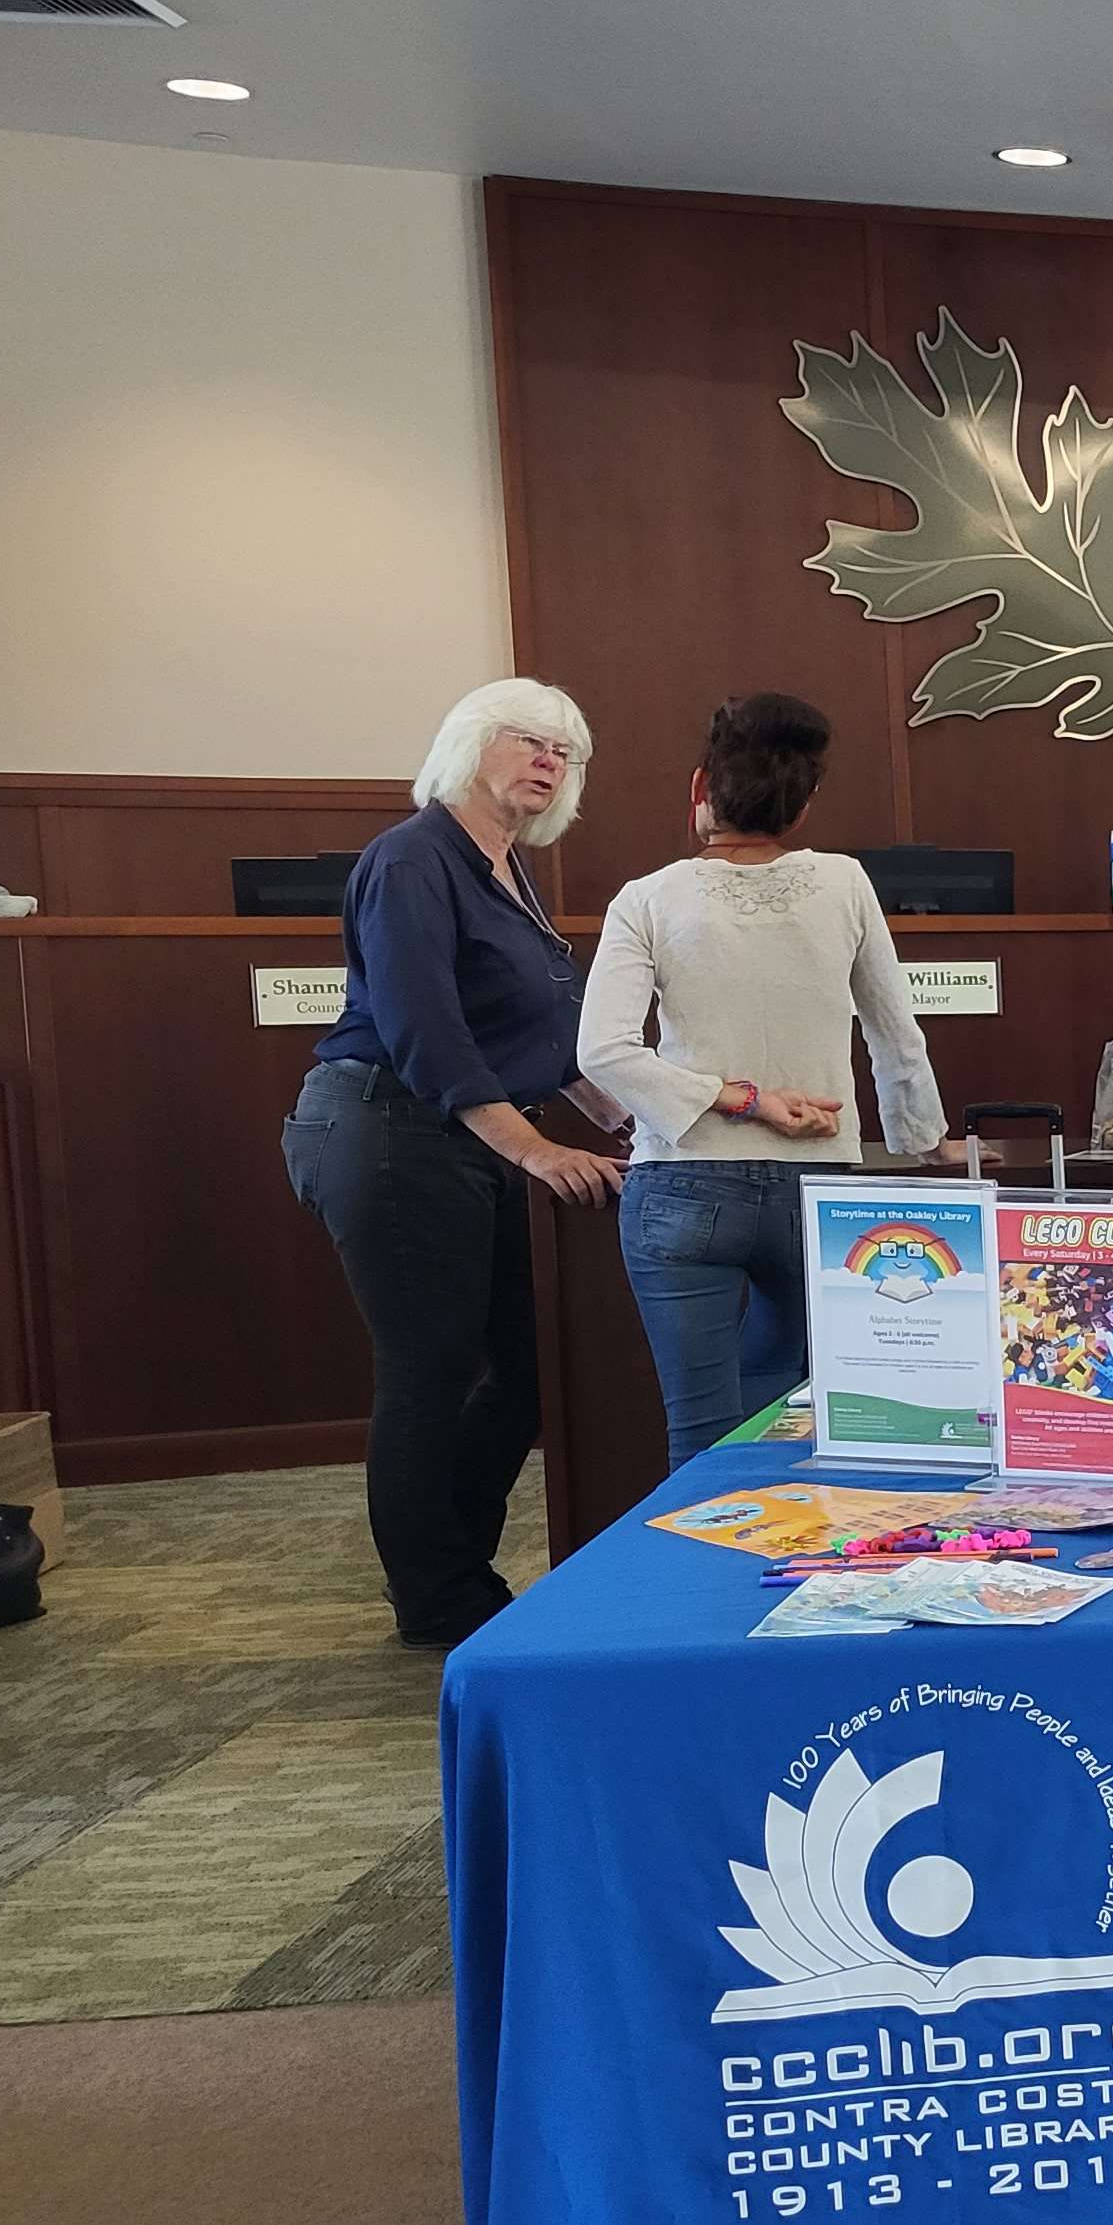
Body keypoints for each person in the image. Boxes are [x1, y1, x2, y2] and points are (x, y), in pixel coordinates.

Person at [282, 679, 623, 1648]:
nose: (550, 760)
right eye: (531, 739)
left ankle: (454, 1566)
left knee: (525, 1368)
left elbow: (553, 1043)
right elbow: (426, 1031)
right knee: (432, 1368)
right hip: (387, 1129)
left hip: (464, 1139)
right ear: (469, 745)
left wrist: (635, 1124)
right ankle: (437, 1597)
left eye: (566, 749)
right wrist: (537, 1150)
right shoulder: (411, 859)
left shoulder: (509, 871)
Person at [578, 691, 954, 1469]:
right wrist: (922, 1140)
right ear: (804, 805)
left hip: (682, 1186)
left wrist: (733, 1098)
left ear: (698, 790)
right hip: (818, 1189)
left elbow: (604, 1053)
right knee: (800, 1418)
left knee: (700, 1431)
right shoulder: (845, 884)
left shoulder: (645, 899)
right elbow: (894, 1032)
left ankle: (705, 1582)